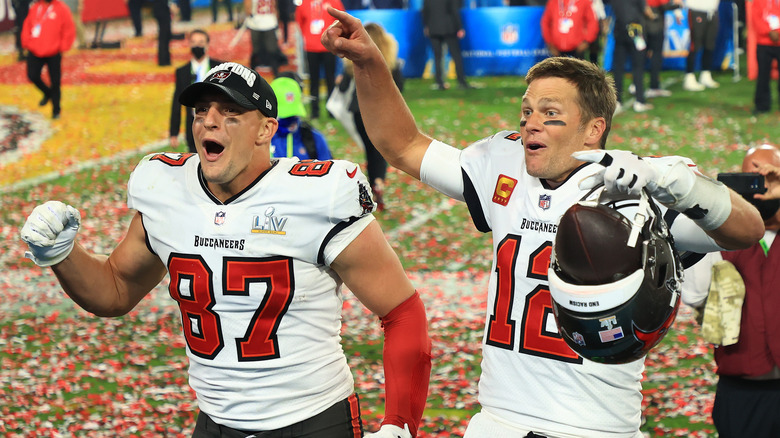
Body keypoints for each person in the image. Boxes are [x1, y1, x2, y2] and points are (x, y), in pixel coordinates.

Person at [322, 9, 764, 437]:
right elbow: (401, 145)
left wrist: (678, 182)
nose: (531, 122)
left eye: (550, 113)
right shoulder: (505, 164)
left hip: (596, 425)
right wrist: (369, 62)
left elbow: (748, 230)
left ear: (593, 129)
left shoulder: (636, 185)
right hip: (498, 420)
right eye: (528, 109)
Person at [20, 61, 431, 438]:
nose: (209, 122)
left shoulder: (317, 195)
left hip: (312, 421)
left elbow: (401, 311)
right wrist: (61, 254)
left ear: (265, 130)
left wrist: (399, 424)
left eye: (229, 114)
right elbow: (114, 290)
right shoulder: (166, 190)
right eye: (202, 111)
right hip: (215, 423)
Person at [681, 144, 780, 438]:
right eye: (752, 180)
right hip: (741, 391)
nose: (761, 188)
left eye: (770, 179)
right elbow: (695, 294)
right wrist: (712, 214)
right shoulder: (721, 237)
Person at [337, 22, 403, 212]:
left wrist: (340, 81)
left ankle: (372, 186)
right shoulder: (391, 60)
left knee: (369, 149)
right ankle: (378, 183)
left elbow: (342, 89)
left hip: (360, 112)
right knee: (380, 151)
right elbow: (400, 87)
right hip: (383, 111)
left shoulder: (354, 59)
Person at [170, 29, 225, 153]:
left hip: (218, 124)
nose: (197, 46)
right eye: (194, 42)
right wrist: (174, 132)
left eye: (201, 42)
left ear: (207, 44)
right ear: (189, 44)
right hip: (193, 125)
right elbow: (176, 102)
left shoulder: (220, 68)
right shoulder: (182, 72)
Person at [21, 0, 75, 120]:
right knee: (32, 75)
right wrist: (27, 42)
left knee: (55, 81)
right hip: (35, 49)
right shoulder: (35, 8)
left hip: (54, 51)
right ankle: (47, 93)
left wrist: (63, 46)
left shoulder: (61, 8)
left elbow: (68, 27)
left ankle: (56, 110)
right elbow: (27, 25)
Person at [295, 0, 344, 119]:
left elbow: (342, 19)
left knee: (330, 79)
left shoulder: (334, 2)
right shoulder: (304, 3)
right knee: (313, 80)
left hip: (329, 47)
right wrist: (308, 36)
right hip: (311, 47)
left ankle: (332, 111)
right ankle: (314, 111)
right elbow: (299, 21)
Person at [270, 76, 333, 160]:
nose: (290, 120)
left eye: (293, 115)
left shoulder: (314, 139)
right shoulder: (257, 141)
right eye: (285, 116)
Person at [610, 0, 653, 114]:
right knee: (638, 65)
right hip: (635, 28)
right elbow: (644, 8)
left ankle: (617, 100)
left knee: (618, 67)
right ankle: (639, 100)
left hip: (620, 28)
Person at [422, 0, 472, 90]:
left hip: (433, 28)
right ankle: (461, 81)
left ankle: (439, 82)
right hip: (449, 28)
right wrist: (459, 27)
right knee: (456, 55)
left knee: (437, 56)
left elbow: (425, 12)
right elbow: (454, 11)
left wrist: (426, 26)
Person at [645, 0, 683, 97]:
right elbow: (664, 6)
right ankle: (654, 87)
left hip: (641, 20)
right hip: (655, 21)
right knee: (656, 55)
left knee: (640, 54)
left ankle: (635, 85)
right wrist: (677, 5)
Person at [682, 0, 720, 91]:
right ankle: (689, 76)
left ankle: (706, 74)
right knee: (695, 44)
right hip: (697, 9)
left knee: (710, 44)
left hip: (712, 10)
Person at [751, 0, 780, 115]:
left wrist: (778, 32)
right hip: (763, 42)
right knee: (763, 75)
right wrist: (768, 31)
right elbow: (755, 18)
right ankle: (762, 105)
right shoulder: (758, 1)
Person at [244, 0, 285, 76]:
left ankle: (276, 73)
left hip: (269, 23)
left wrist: (277, 21)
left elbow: (274, 5)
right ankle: (251, 74)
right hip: (256, 24)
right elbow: (248, 5)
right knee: (256, 51)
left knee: (272, 50)